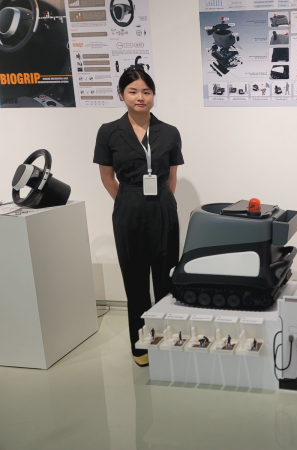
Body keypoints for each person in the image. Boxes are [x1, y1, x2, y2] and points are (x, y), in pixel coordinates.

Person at [93, 68, 184, 367]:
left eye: (146, 91)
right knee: (135, 280)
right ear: (121, 95)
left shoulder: (169, 132)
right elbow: (107, 178)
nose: (140, 97)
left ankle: (169, 338)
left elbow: (171, 177)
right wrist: (127, 202)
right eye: (133, 91)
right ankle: (141, 345)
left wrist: (164, 203)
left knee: (166, 277)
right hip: (129, 208)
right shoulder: (109, 131)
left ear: (153, 96)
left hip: (163, 206)